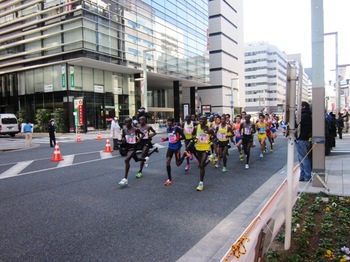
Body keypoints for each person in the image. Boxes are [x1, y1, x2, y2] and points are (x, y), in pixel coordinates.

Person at [118, 118, 149, 187]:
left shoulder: (135, 129)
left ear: (131, 122)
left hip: (133, 147)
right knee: (137, 159)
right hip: (128, 147)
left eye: (127, 122)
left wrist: (139, 140)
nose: (126, 124)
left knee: (126, 160)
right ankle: (145, 159)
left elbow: (143, 134)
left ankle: (125, 179)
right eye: (125, 123)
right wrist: (124, 139)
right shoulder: (125, 129)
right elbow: (124, 136)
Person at [192, 115, 216, 191]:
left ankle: (201, 183)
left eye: (203, 120)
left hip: (206, 148)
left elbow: (215, 138)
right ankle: (210, 159)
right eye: (200, 120)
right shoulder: (196, 127)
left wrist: (211, 141)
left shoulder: (209, 129)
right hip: (198, 148)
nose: (201, 121)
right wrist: (195, 138)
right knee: (201, 165)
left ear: (206, 121)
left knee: (202, 165)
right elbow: (192, 134)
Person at [160, 117, 185, 186]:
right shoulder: (168, 129)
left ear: (172, 122)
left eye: (169, 121)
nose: (168, 123)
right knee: (167, 161)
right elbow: (170, 137)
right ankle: (169, 179)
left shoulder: (177, 128)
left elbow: (184, 137)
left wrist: (178, 139)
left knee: (178, 164)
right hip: (170, 147)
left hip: (177, 147)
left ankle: (185, 155)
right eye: (167, 121)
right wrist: (165, 139)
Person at [296, 101, 312, 181]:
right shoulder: (309, 115)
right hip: (306, 139)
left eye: (300, 106)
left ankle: (307, 176)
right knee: (303, 158)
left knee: (303, 158)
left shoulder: (303, 116)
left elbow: (295, 124)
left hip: (301, 139)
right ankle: (302, 175)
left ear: (303, 107)